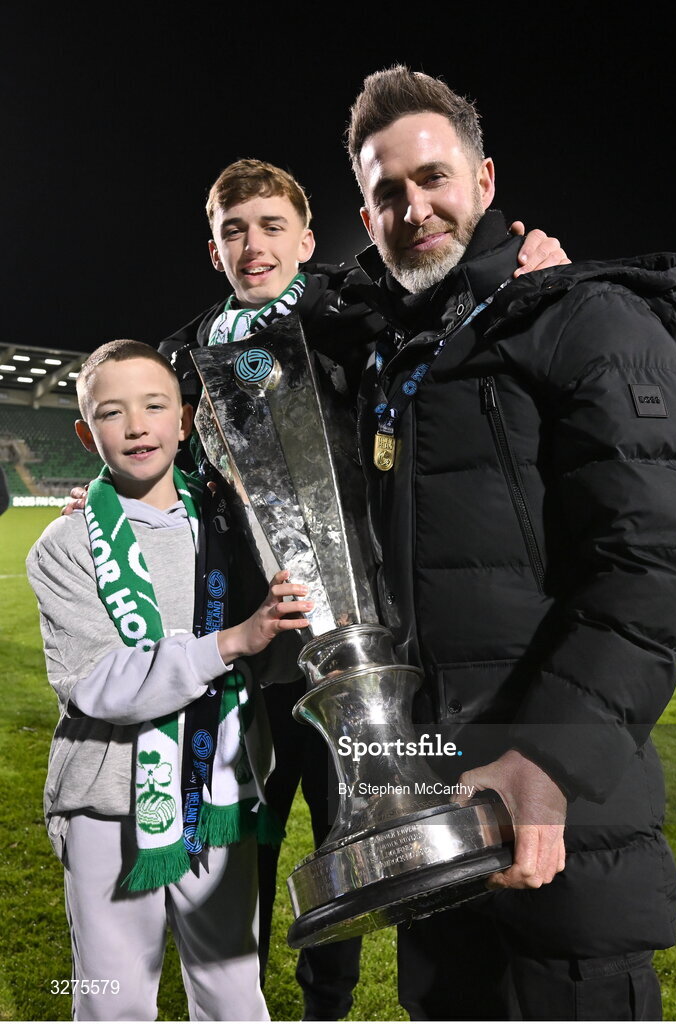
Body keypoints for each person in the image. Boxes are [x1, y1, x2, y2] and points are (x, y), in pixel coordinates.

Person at [158, 157, 569, 1021]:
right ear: (212, 248)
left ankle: (324, 1007)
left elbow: (452, 286)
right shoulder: (184, 355)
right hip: (251, 649)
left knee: (355, 819)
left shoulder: (352, 308)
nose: (252, 244)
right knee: (248, 839)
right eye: (233, 230)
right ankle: (238, 1000)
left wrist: (530, 261)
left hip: (364, 639)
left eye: (271, 226)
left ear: (308, 240)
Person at [344, 66, 676, 1021]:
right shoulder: (404, 354)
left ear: (485, 179)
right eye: (387, 193)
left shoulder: (586, 315)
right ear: (363, 211)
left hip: (563, 825)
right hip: (437, 815)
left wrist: (545, 762)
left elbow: (651, 562)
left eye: (433, 178)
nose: (413, 207)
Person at [26, 339, 312, 1022]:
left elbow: (268, 661)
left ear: (184, 421)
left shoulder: (230, 526)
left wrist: (292, 625)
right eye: (111, 413)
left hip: (217, 790)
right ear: (83, 432)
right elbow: (100, 686)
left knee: (232, 995)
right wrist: (231, 640)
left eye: (154, 406)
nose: (135, 426)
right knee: (113, 1002)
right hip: (106, 803)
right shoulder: (64, 547)